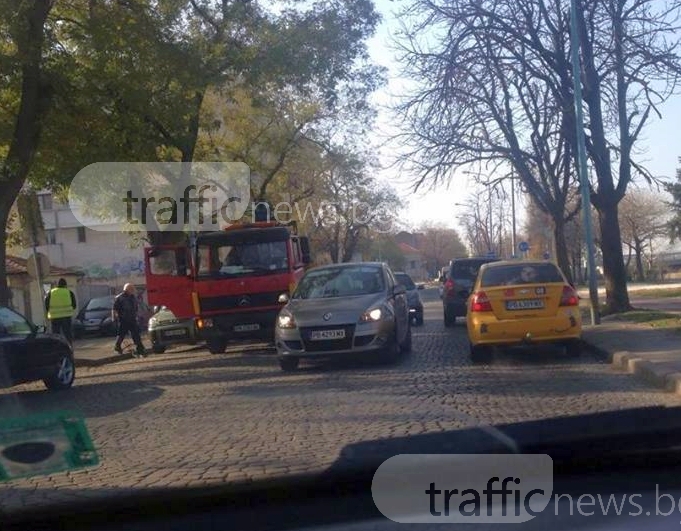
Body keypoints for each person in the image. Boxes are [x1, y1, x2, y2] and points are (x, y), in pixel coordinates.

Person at [112, 283, 146, 358]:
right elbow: (114, 309)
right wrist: (115, 318)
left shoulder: (132, 297)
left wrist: (137, 316)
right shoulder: (120, 298)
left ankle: (140, 350)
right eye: (131, 289)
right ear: (127, 289)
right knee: (121, 334)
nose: (133, 291)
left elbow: (135, 307)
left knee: (136, 334)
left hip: (132, 319)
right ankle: (117, 347)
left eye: (133, 289)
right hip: (123, 319)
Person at [45, 278, 76, 345]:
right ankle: (69, 347)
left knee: (56, 335)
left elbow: (46, 304)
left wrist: (49, 312)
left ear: (57, 285)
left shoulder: (51, 292)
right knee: (67, 334)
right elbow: (74, 305)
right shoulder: (69, 292)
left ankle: (57, 348)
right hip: (66, 317)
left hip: (54, 317)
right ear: (65, 285)